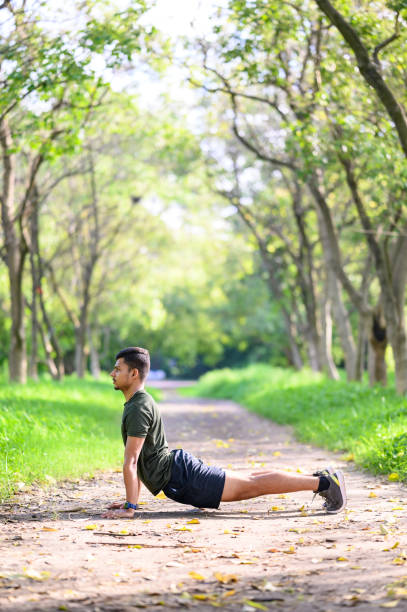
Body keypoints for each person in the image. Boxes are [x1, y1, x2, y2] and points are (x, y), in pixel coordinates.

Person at [102, 347, 347, 519]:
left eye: (117, 369)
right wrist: (128, 501)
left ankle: (326, 483)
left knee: (252, 485)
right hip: (181, 472)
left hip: (184, 477)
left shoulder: (138, 406)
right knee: (252, 480)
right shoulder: (138, 403)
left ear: (133, 373)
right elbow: (142, 460)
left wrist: (131, 507)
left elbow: (132, 462)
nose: (112, 373)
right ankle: (321, 479)